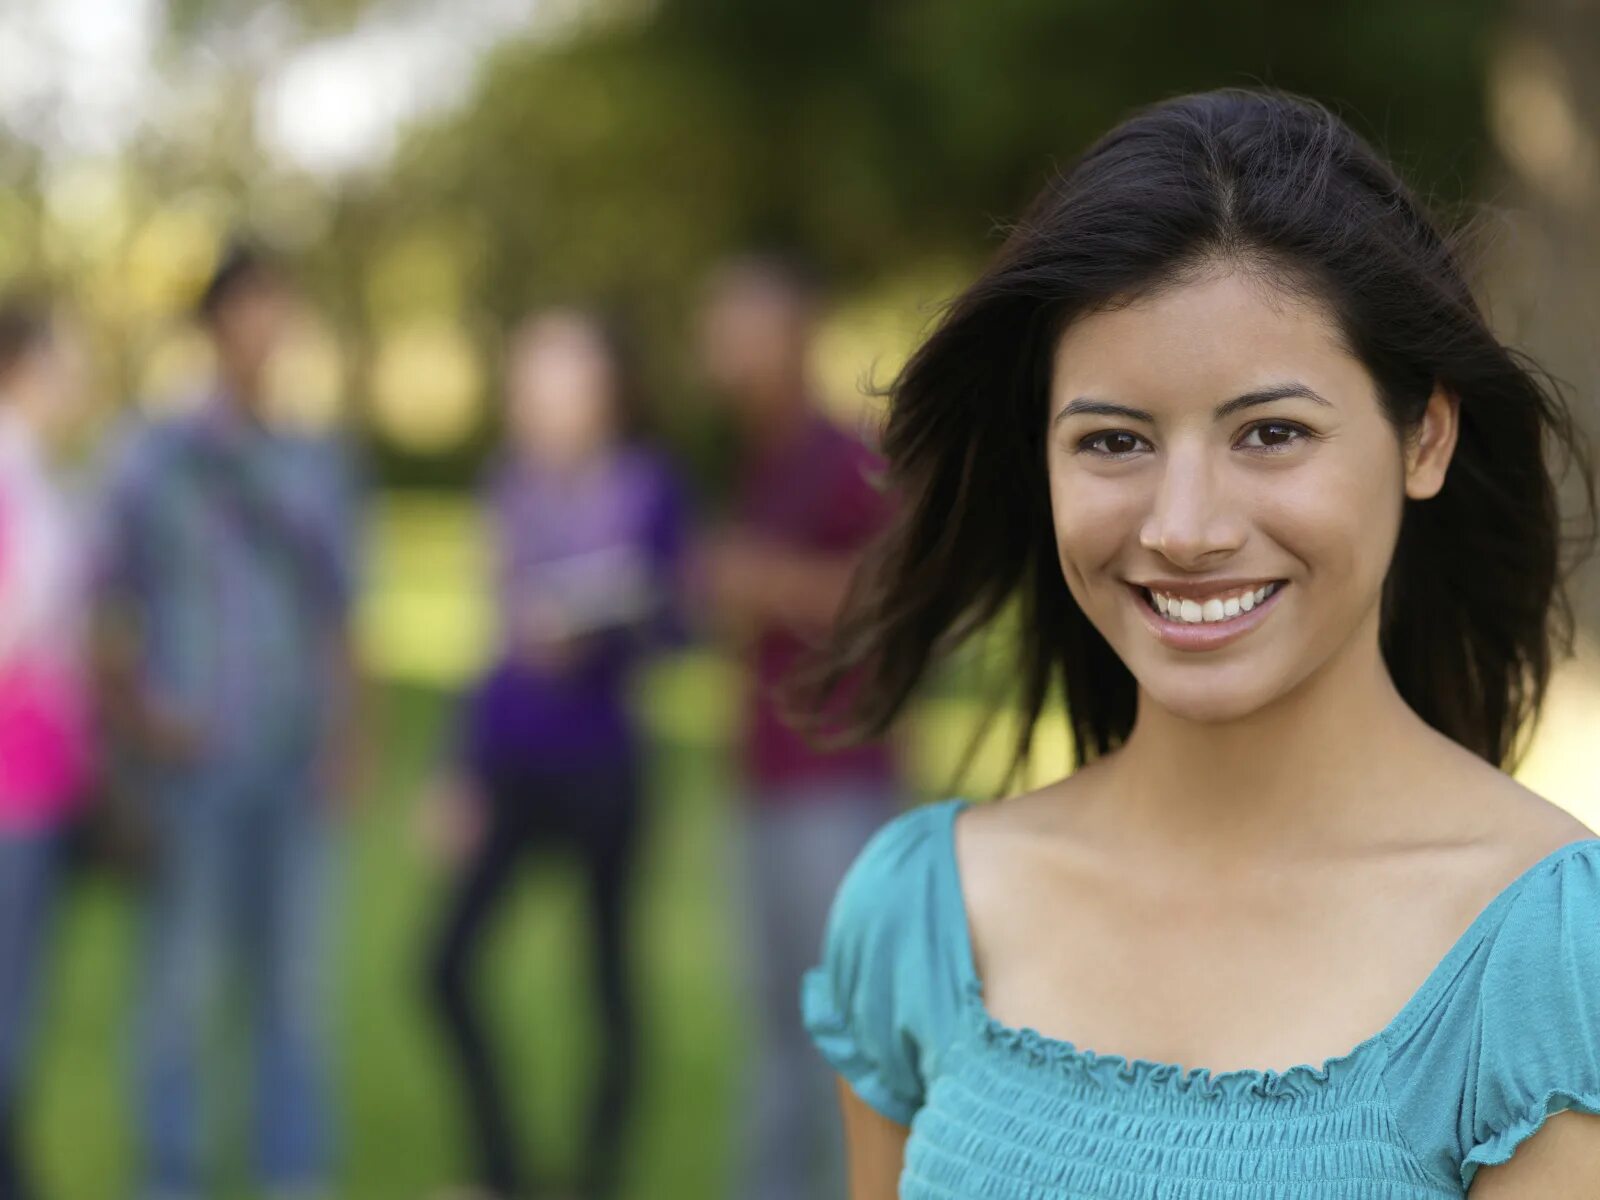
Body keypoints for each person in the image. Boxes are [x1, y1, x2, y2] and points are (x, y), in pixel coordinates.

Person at [797, 89, 1600, 1198]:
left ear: (1425, 435)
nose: (1183, 529)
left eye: (1270, 434)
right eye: (1113, 440)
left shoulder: (1547, 963)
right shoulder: (921, 918)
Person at [95, 241, 362, 1200]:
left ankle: (293, 1172)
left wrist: (348, 742)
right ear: (211, 324)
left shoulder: (317, 462)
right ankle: (168, 1177)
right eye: (247, 309)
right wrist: (135, 714)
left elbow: (342, 613)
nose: (265, 330)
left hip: (293, 769)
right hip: (189, 773)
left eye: (279, 310)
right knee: (180, 994)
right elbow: (100, 603)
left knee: (297, 994)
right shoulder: (150, 456)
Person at [423, 310, 687, 1200]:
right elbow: (492, 639)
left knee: (606, 985)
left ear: (605, 390)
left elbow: (679, 627)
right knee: (445, 968)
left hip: (605, 772)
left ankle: (592, 1180)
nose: (541, 396)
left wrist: (603, 631)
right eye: (531, 378)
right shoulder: (509, 485)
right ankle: (501, 1172)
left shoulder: (650, 485)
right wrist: (457, 770)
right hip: (511, 765)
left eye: (562, 377)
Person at [696, 255, 902, 1200]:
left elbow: (899, 596)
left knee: (841, 1037)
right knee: (775, 1029)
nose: (720, 351)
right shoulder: (760, 460)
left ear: (791, 336)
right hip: (764, 783)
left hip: (837, 787)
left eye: (738, 329)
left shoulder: (848, 457)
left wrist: (761, 581)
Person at [0, 299, 94, 1200]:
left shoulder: (37, 473)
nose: (82, 383)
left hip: (38, 778)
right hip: (10, 782)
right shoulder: (9, 473)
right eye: (70, 364)